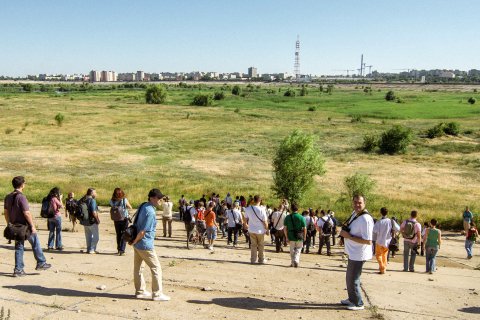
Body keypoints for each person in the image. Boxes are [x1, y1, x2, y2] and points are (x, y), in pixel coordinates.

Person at [3, 176, 51, 277]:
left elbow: (6, 212)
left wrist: (9, 224)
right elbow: (26, 213)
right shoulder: (21, 197)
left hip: (14, 226)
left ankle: (18, 270)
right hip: (24, 227)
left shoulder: (8, 197)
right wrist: (32, 226)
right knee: (35, 242)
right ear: (22, 185)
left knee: (19, 247)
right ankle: (41, 263)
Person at [129, 188, 170, 301]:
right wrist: (136, 240)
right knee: (156, 268)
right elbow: (143, 231)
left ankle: (140, 291)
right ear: (152, 198)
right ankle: (157, 294)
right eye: (159, 198)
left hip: (137, 244)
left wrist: (134, 242)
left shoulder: (143, 206)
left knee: (138, 268)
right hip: (144, 244)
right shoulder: (151, 212)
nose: (160, 200)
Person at [339, 194, 374, 311]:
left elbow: (368, 241)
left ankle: (358, 303)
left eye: (359, 202)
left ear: (365, 203)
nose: (357, 205)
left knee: (353, 279)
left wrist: (348, 236)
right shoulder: (356, 214)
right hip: (353, 252)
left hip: (359, 254)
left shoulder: (365, 219)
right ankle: (351, 298)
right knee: (349, 277)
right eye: (355, 202)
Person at [372, 207, 400, 274]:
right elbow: (398, 228)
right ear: (387, 213)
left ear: (380, 213)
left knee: (378, 255)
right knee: (384, 255)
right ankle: (384, 268)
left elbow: (374, 230)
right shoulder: (391, 221)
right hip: (388, 241)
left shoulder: (379, 222)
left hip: (379, 241)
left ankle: (382, 267)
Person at [244, 195, 268, 264]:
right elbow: (265, 221)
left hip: (251, 229)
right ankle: (261, 259)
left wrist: (245, 224)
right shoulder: (262, 209)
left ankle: (253, 259)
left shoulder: (248, 208)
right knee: (261, 245)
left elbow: (245, 218)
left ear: (254, 200)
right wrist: (267, 229)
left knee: (253, 245)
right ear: (260, 201)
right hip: (260, 230)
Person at [109, 188, 133, 255]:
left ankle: (119, 249)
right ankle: (122, 250)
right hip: (124, 219)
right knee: (124, 234)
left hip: (116, 219)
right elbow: (130, 207)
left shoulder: (111, 201)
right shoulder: (124, 200)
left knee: (118, 234)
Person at [81, 188, 100, 254]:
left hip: (85, 221)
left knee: (88, 236)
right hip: (92, 221)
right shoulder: (92, 200)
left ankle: (88, 249)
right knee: (96, 237)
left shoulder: (83, 199)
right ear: (92, 193)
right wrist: (97, 220)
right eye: (95, 192)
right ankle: (92, 249)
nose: (96, 194)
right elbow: (94, 212)